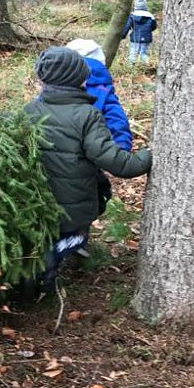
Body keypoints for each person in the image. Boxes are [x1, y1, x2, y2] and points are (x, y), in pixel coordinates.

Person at [23, 47, 151, 292]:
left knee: (49, 235)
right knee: (75, 237)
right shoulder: (87, 115)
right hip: (75, 205)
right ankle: (46, 262)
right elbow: (117, 162)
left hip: (38, 202)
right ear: (76, 79)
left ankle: (42, 281)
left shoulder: (29, 111)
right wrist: (148, 157)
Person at [65, 38, 133, 233]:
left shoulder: (60, 83)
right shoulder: (103, 86)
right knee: (91, 192)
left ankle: (68, 234)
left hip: (60, 150)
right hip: (93, 152)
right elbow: (115, 117)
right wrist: (122, 146)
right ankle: (80, 234)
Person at [121, 0, 157, 65]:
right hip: (146, 38)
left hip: (135, 38)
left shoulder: (132, 16)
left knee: (133, 53)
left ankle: (131, 66)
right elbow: (154, 26)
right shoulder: (150, 16)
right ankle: (147, 65)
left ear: (136, 6)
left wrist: (123, 35)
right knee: (144, 53)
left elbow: (127, 26)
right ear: (145, 6)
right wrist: (148, 31)